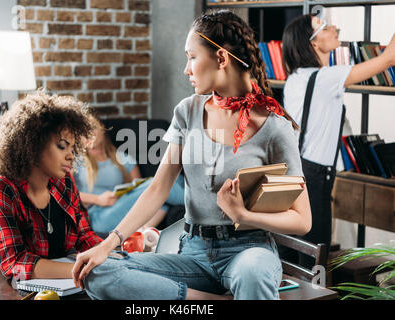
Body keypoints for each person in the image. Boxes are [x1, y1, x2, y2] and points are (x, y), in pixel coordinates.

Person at [72, 10, 312, 300]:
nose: (186, 69)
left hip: (249, 251)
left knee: (252, 274)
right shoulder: (188, 111)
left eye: (192, 57)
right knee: (97, 272)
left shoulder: (274, 127)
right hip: (193, 254)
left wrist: (243, 214)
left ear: (221, 58)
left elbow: (302, 220)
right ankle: (207, 301)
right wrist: (107, 245)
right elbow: (158, 188)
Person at [282, 14, 395, 266]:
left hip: (298, 171)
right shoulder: (327, 78)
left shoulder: (295, 78)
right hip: (315, 178)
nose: (334, 28)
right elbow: (389, 59)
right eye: (323, 27)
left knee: (296, 256)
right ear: (312, 43)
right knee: (314, 260)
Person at [0, 91, 103, 281]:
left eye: (72, 148)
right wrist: (85, 270)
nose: (71, 156)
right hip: (8, 291)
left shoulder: (65, 183)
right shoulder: (1, 189)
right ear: (33, 145)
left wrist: (113, 255)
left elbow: (84, 236)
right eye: (62, 146)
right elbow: (15, 263)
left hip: (59, 289)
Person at [74, 120, 185, 238]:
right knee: (159, 184)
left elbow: (139, 190)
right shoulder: (77, 160)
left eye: (91, 129)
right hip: (96, 216)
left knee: (175, 179)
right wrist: (98, 199)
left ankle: (143, 231)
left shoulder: (122, 157)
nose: (88, 135)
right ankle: (201, 205)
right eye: (83, 132)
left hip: (122, 208)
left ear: (102, 129)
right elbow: (66, 193)